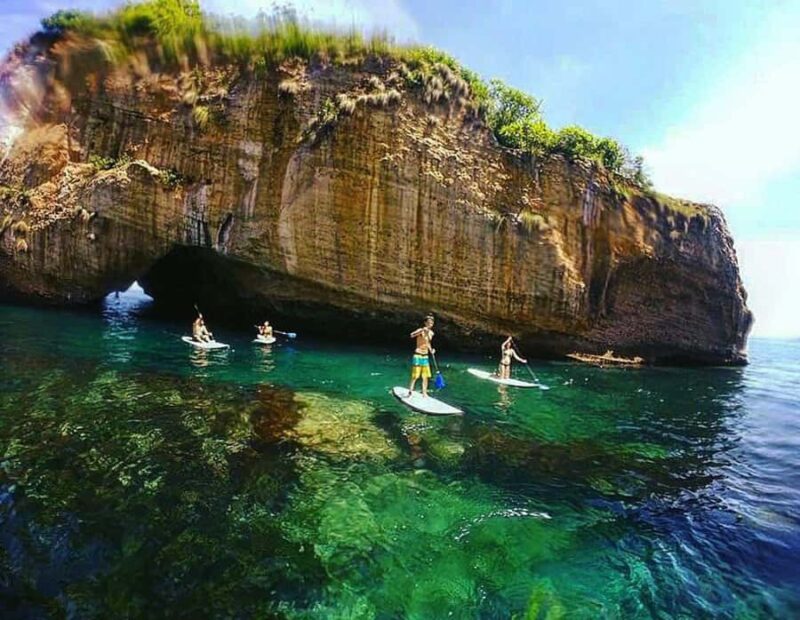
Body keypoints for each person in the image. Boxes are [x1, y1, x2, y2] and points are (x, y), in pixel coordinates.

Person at [408, 315, 436, 397]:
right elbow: (412, 335)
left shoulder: (431, 333)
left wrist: (431, 350)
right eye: (428, 323)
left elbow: (428, 343)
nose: (430, 324)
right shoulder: (421, 330)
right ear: (425, 323)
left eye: (431, 323)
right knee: (415, 375)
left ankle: (424, 393)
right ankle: (410, 391)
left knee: (425, 376)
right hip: (418, 355)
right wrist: (421, 331)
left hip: (425, 356)